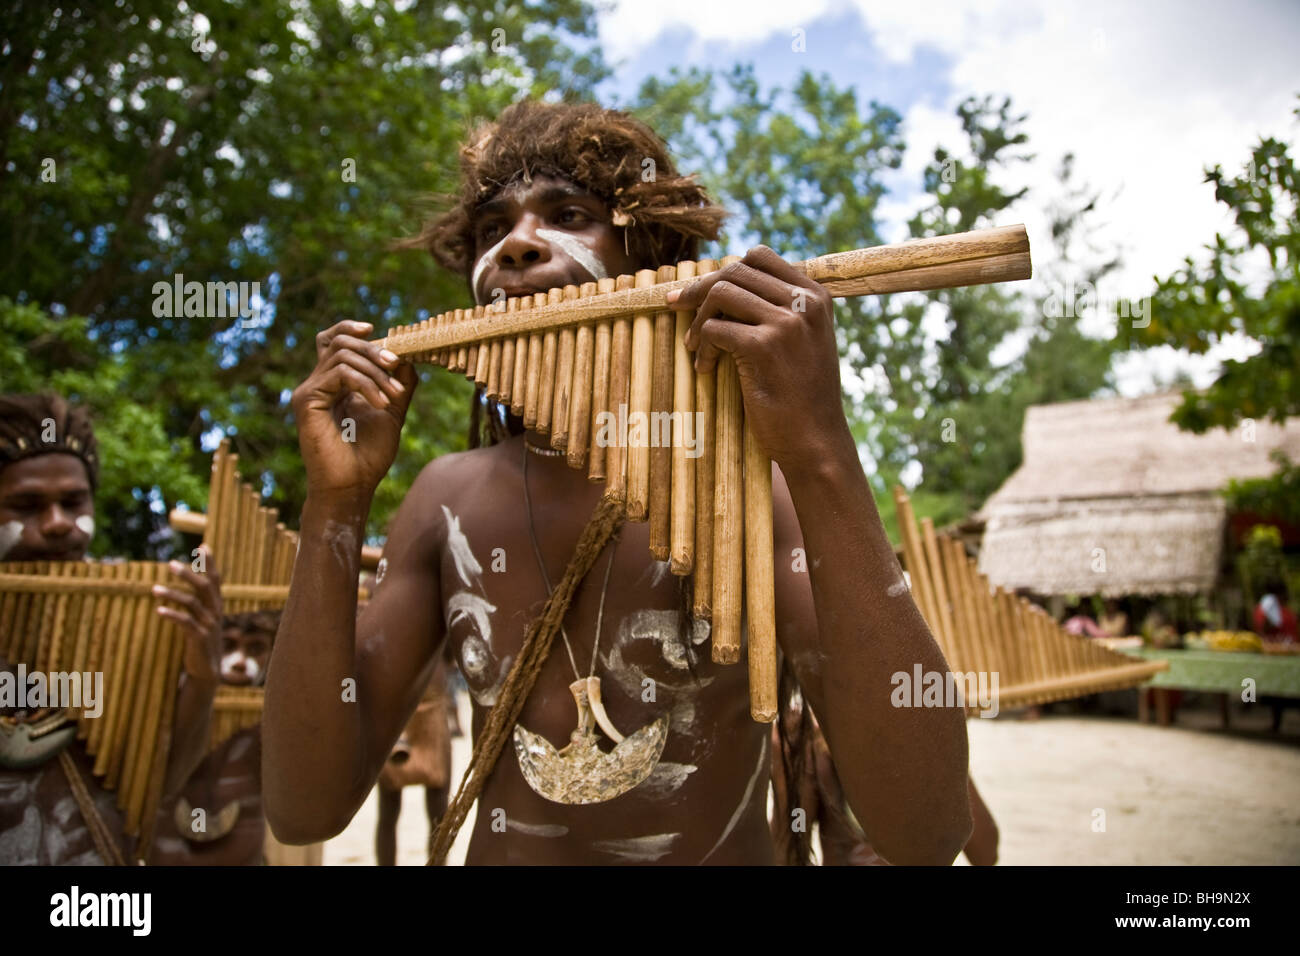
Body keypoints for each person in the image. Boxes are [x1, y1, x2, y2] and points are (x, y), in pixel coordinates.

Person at [264, 101, 972, 865]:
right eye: (489, 229)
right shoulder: (444, 498)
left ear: (648, 261)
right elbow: (305, 809)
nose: (518, 246)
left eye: (567, 214)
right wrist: (335, 504)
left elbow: (926, 834)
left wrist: (822, 449)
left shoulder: (752, 490)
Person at [0, 392, 224, 864]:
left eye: (72, 501)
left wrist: (202, 678)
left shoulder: (135, 614)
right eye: (26, 505)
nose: (58, 523)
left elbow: (159, 785)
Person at [149, 610, 278, 866]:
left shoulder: (275, 714)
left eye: (256, 649)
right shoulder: (157, 704)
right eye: (226, 645)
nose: (240, 662)